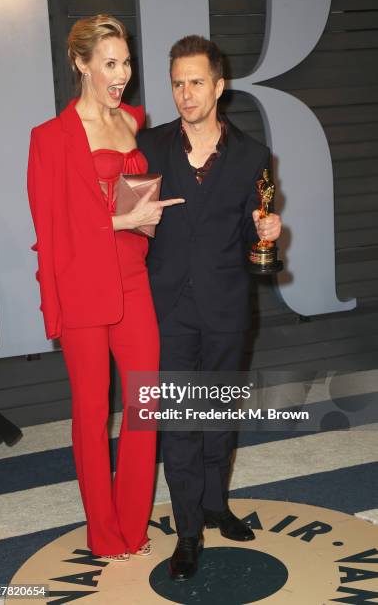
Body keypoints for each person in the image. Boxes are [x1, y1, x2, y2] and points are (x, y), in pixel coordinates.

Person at [27, 14, 183, 561]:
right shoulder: (50, 138)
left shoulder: (133, 122)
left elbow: (132, 199)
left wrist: (141, 220)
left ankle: (134, 526)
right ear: (81, 64)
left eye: (127, 63)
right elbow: (50, 228)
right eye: (110, 64)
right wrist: (115, 223)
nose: (123, 75)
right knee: (93, 415)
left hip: (133, 279)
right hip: (82, 288)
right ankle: (104, 533)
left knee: (145, 404)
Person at [137, 35, 282, 580]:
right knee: (180, 421)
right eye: (177, 83)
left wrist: (268, 231)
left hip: (227, 305)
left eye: (196, 82)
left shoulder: (252, 155)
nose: (185, 93)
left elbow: (257, 231)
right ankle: (189, 530)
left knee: (218, 413)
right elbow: (130, 223)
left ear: (219, 87)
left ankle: (217, 504)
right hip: (167, 306)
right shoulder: (148, 147)